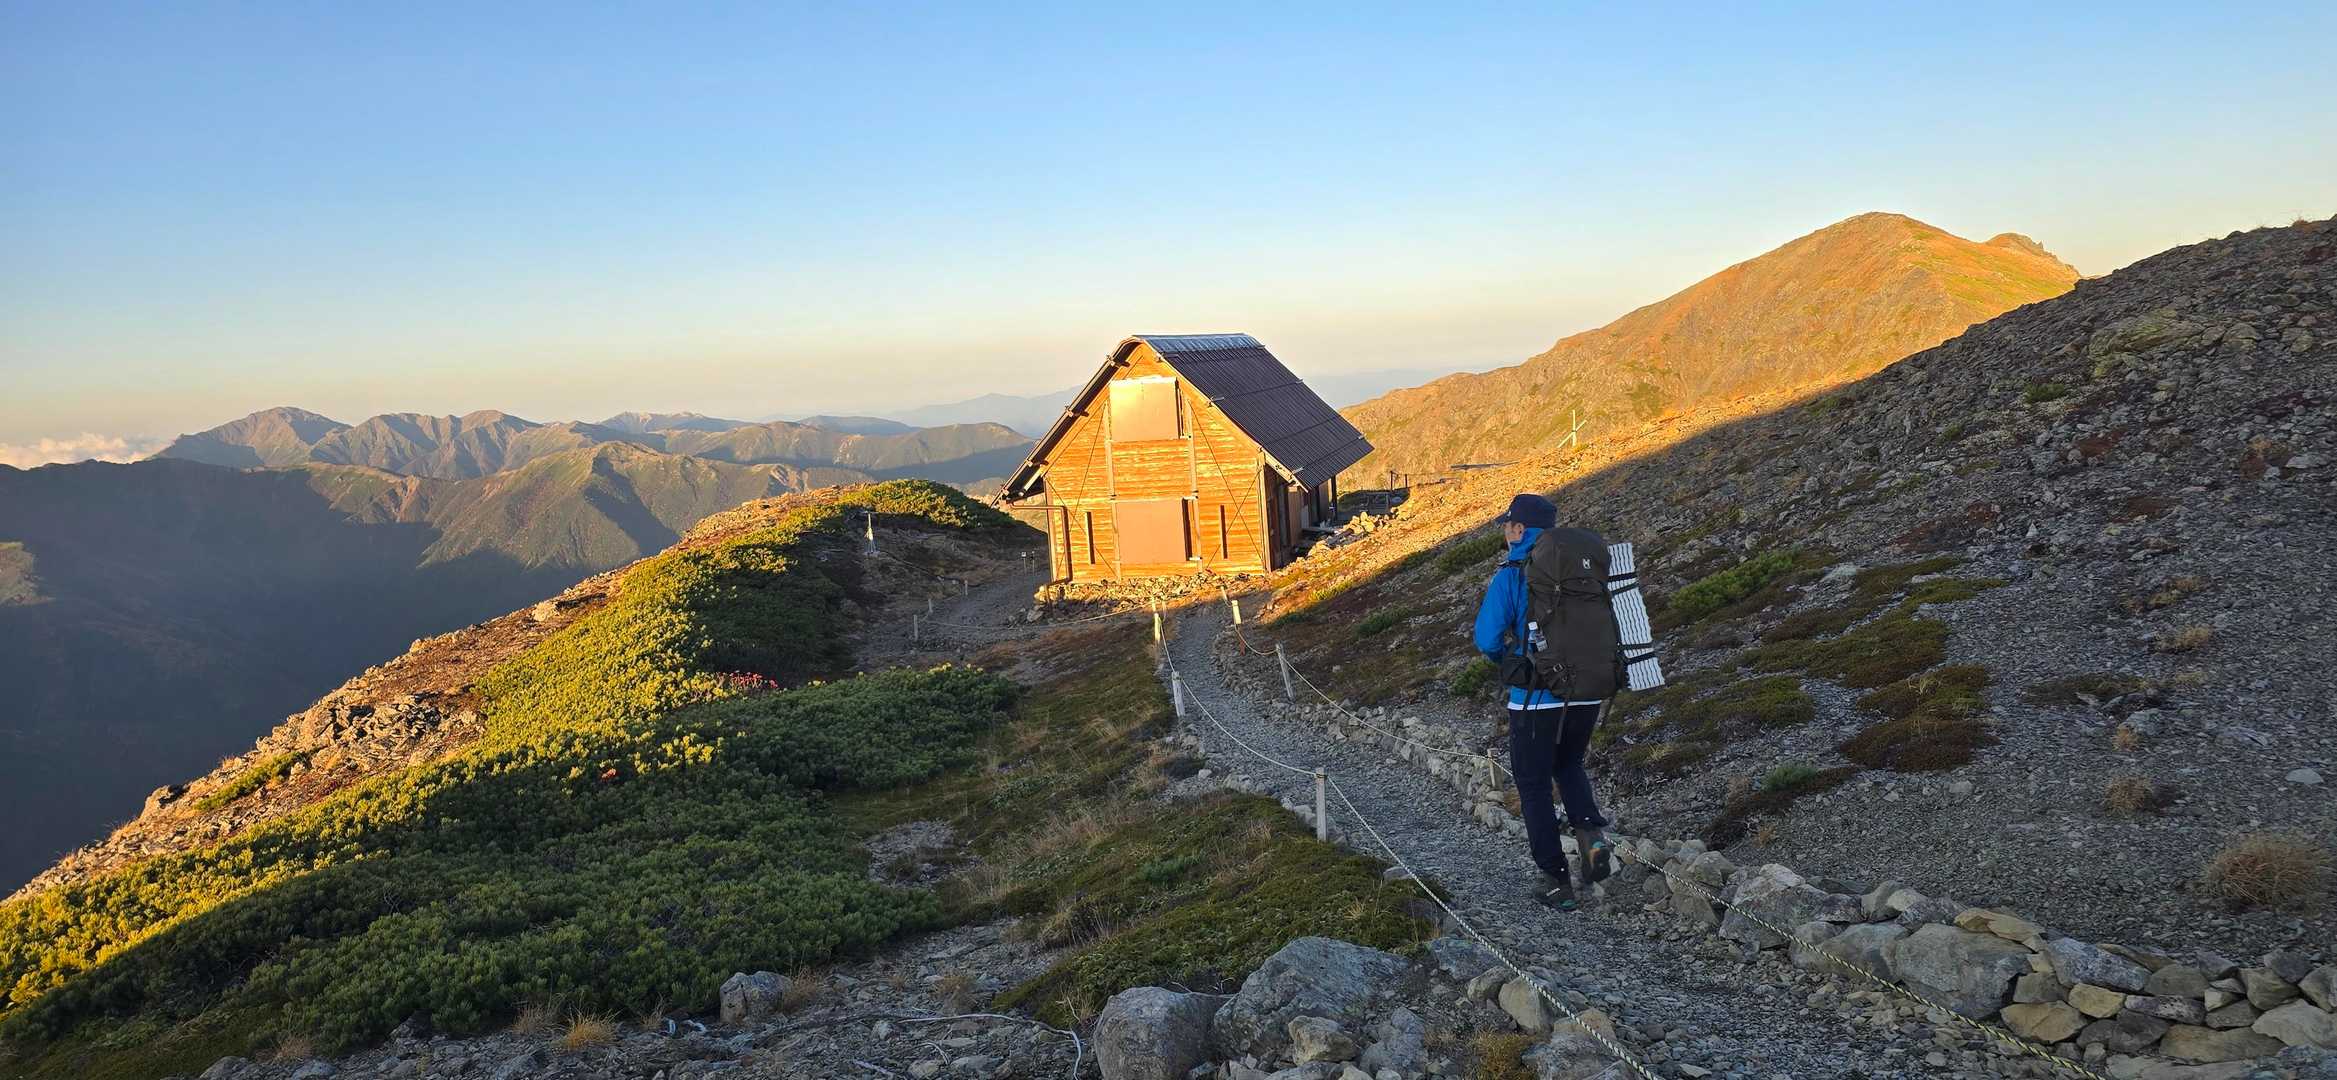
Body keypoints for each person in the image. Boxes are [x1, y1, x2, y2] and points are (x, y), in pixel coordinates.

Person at [1472, 492, 1613, 910]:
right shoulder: (1581, 570)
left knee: (1533, 785)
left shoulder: (1513, 572)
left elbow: (1486, 637)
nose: (1504, 531)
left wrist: (1511, 661)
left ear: (1519, 529)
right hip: (1586, 692)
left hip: (1535, 698)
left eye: (1507, 525)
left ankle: (1556, 881)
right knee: (1568, 764)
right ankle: (1591, 838)